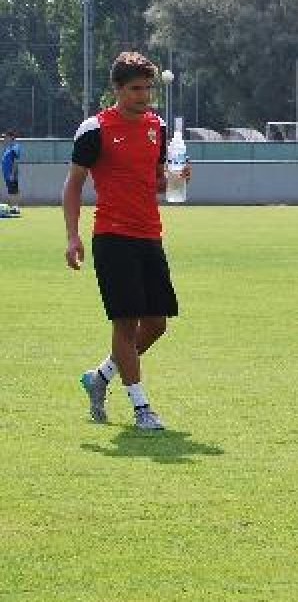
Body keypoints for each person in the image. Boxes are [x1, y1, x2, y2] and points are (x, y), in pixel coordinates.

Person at [63, 51, 191, 430]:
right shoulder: (95, 129)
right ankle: (141, 408)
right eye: (136, 89)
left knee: (156, 324)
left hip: (150, 234)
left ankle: (100, 377)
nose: (144, 95)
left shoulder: (158, 127)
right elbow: (73, 185)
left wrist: (175, 179)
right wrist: (72, 236)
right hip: (112, 236)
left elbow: (153, 181)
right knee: (125, 322)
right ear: (117, 89)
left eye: (148, 88)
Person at [2, 130, 20, 215]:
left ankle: (15, 207)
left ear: (11, 137)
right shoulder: (8, 148)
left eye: (6, 137)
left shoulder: (15, 147)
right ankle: (13, 207)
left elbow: (15, 161)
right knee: (10, 190)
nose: (4, 138)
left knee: (14, 190)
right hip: (7, 174)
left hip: (11, 173)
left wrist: (12, 173)